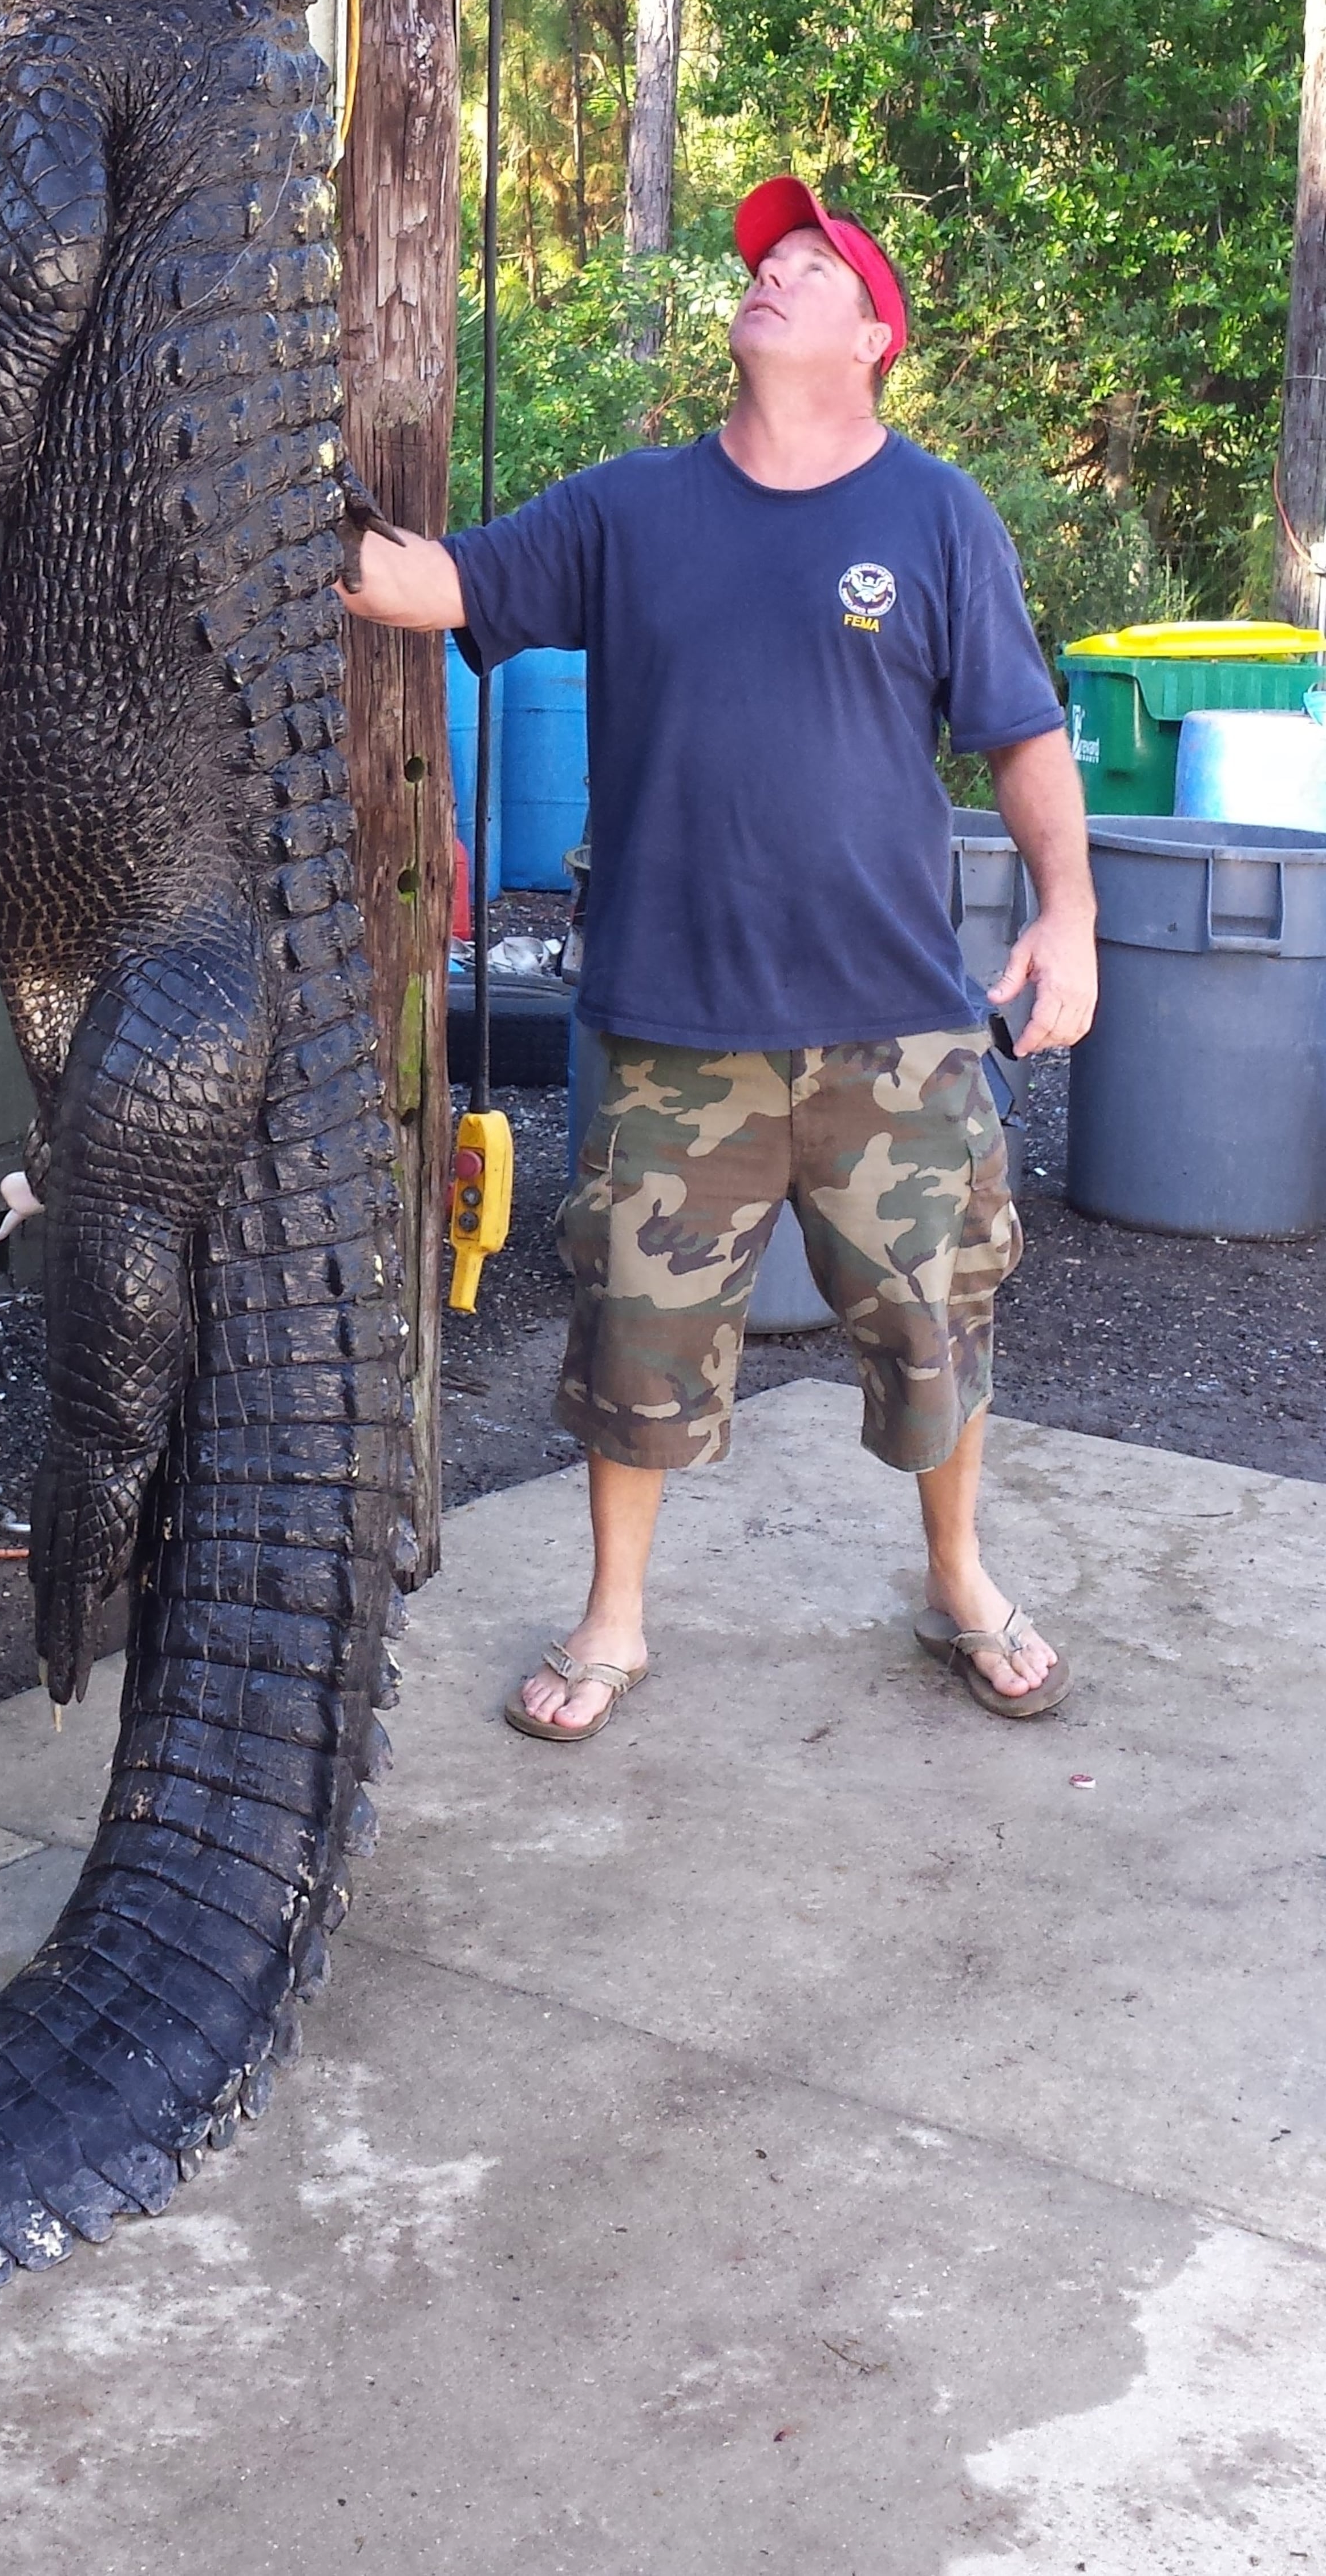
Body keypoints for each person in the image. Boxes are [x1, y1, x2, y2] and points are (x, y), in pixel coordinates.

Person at [341, 177, 1097, 1734]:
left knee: (942, 1324)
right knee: (635, 1339)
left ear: (873, 337)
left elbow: (1022, 734)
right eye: (764, 261)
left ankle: (958, 1578)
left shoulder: (937, 515)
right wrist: (270, 496)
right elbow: (442, 585)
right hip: (672, 1029)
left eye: (809, 266)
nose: (768, 277)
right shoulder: (633, 509)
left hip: (897, 1028)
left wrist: (1068, 913)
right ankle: (614, 1620)